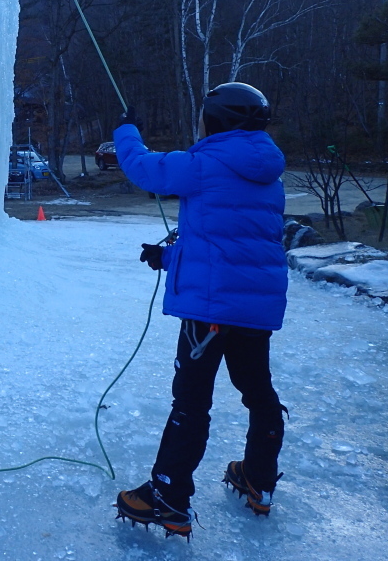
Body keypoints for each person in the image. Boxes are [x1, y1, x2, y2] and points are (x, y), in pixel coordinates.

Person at [112, 82, 288, 539]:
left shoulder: (205, 164)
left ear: (217, 120)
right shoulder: (269, 174)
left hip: (210, 313)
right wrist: (168, 257)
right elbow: (229, 246)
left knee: (191, 401)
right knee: (258, 392)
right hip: (255, 311)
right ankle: (258, 480)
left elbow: (141, 168)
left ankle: (168, 497)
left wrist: (126, 129)